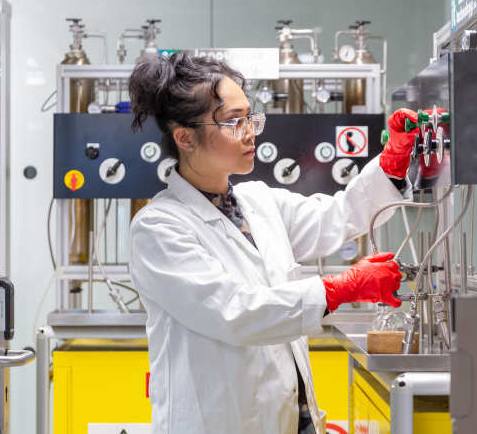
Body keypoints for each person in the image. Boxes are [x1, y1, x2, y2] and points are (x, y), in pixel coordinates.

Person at [128, 53, 416, 434]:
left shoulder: (259, 202)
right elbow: (235, 311)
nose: (250, 132)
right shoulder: (158, 227)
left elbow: (337, 216)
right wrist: (341, 288)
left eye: (250, 117)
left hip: (291, 420)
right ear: (184, 137)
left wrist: (392, 164)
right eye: (233, 121)